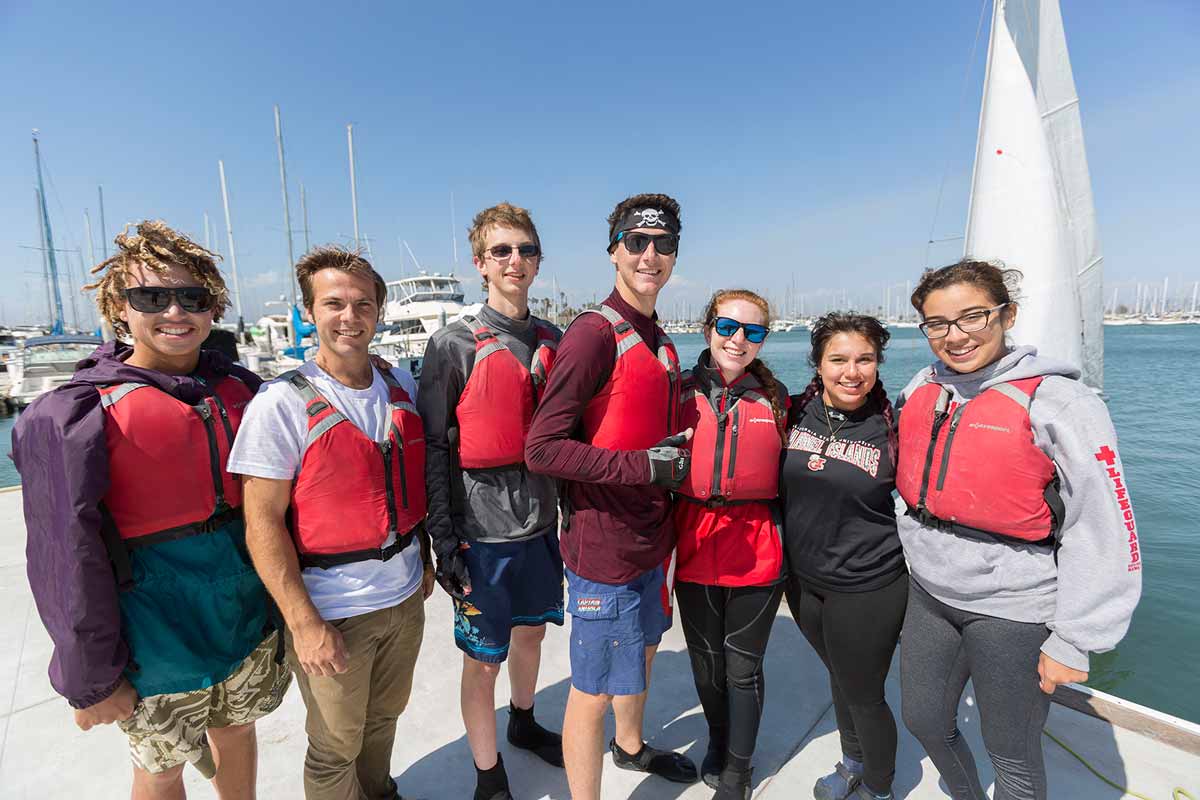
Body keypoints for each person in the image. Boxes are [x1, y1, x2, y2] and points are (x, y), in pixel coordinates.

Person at [12, 220, 290, 799]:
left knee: (238, 730)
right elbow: (62, 559)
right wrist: (89, 677)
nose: (175, 311)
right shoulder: (76, 414)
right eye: (151, 296)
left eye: (192, 297)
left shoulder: (242, 391)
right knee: (161, 769)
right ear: (118, 305)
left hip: (244, 615)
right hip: (152, 636)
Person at [896, 260, 1142, 800]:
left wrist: (1076, 639)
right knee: (925, 721)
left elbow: (1103, 524)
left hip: (1014, 606)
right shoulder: (921, 386)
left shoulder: (1060, 403)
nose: (954, 336)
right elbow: (909, 475)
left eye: (972, 317)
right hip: (929, 592)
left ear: (1006, 314)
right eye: (937, 324)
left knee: (1010, 751)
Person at [231, 247, 436, 800]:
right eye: (334, 304)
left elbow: (405, 482)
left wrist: (426, 558)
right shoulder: (278, 404)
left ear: (379, 312)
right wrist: (303, 623)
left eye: (362, 304)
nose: (350, 317)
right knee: (334, 745)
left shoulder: (401, 388)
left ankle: (379, 790)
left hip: (402, 599)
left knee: (385, 718)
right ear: (310, 311)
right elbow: (263, 525)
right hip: (333, 611)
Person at [525, 193, 698, 799]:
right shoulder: (594, 334)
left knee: (645, 649)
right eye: (637, 242)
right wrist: (641, 465)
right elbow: (541, 449)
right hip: (603, 545)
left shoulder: (659, 338)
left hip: (654, 539)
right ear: (614, 252)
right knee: (592, 688)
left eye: (664, 244)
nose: (651, 254)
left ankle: (631, 748)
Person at [417, 203, 565, 800]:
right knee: (483, 660)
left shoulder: (555, 341)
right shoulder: (452, 345)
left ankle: (524, 722)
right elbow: (432, 446)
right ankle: (488, 774)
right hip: (481, 537)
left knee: (532, 635)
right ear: (480, 263)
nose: (514, 261)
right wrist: (443, 539)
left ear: (538, 261)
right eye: (501, 251)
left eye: (525, 250)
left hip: (541, 526)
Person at [780, 313, 905, 800]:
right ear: (817, 364)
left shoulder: (892, 427)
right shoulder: (793, 413)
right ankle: (854, 761)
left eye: (865, 359)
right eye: (839, 359)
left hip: (869, 586)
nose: (852, 372)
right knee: (840, 676)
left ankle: (879, 788)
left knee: (865, 693)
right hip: (805, 582)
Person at [673, 289, 789, 800]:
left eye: (753, 331)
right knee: (706, 663)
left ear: (763, 341)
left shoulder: (779, 400)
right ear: (707, 330)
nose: (738, 339)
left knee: (742, 667)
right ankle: (718, 741)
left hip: (756, 550)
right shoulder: (676, 392)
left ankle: (738, 773)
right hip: (693, 544)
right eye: (727, 327)